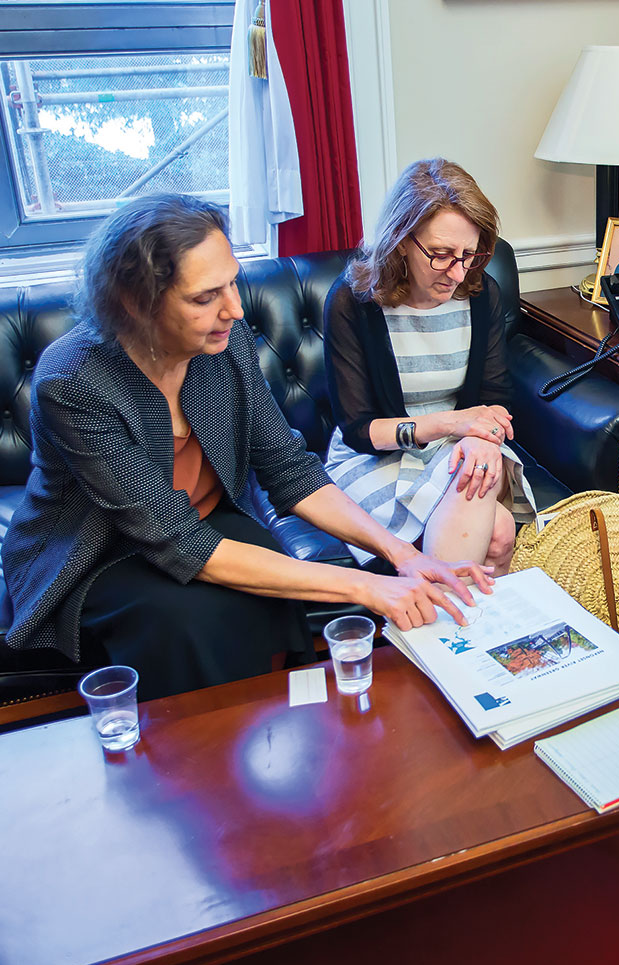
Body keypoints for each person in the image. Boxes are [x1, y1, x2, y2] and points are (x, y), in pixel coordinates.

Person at [2, 195, 491, 700]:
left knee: (266, 593)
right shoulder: (73, 379)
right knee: (192, 620)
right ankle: (199, 756)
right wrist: (367, 586)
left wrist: (399, 555)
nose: (234, 308)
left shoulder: (224, 342)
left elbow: (287, 468)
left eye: (233, 282)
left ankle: (276, 730)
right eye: (204, 296)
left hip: (208, 522)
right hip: (98, 552)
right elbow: (175, 540)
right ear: (134, 302)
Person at [323, 158, 538, 576]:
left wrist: (484, 438)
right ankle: (456, 629)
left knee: (480, 498)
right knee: (498, 531)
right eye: (441, 255)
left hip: (459, 442)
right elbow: (359, 430)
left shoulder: (482, 293)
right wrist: (456, 425)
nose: (457, 273)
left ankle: (446, 633)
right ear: (401, 240)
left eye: (469, 255)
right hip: (376, 454)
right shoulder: (353, 301)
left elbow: (494, 398)